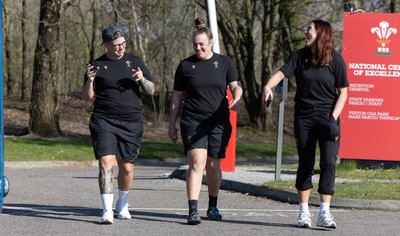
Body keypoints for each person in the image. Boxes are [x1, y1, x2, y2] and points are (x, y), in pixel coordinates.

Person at [262, 19, 348, 229]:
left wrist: (334, 117)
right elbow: (282, 72)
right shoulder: (300, 57)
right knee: (306, 163)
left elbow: (343, 92)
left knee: (328, 162)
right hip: (304, 118)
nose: (305, 31)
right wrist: (267, 86)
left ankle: (324, 214)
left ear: (321, 33)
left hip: (328, 118)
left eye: (309, 29)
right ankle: (303, 213)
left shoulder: (336, 60)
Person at [168, 18, 242, 225]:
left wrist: (237, 96)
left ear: (211, 42)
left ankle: (213, 206)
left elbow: (235, 85)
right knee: (196, 163)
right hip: (193, 119)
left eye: (202, 44)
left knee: (213, 165)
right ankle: (193, 209)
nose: (198, 47)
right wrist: (171, 124)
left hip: (218, 121)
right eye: (195, 44)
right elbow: (176, 97)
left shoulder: (225, 62)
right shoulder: (185, 65)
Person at [82, 24, 155, 224]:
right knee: (106, 163)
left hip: (131, 122)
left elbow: (151, 90)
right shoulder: (96, 64)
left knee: (127, 167)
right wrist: (89, 81)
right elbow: (87, 97)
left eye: (123, 44)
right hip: (103, 120)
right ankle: (106, 210)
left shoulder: (135, 61)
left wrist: (142, 79)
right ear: (106, 45)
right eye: (115, 45)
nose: (120, 48)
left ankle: (122, 204)